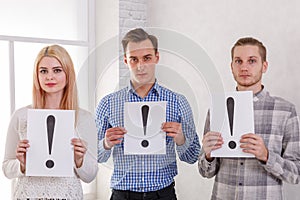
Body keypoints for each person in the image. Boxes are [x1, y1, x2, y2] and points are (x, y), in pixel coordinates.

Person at [96, 28, 200, 200]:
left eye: (147, 58)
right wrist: (106, 143)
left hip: (163, 195)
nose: (141, 66)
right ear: (125, 61)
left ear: (157, 58)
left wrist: (181, 139)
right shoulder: (108, 104)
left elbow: (193, 156)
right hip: (123, 195)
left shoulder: (178, 102)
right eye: (134, 59)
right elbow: (96, 157)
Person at [198, 37, 300, 199]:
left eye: (251, 61)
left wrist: (266, 156)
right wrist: (209, 155)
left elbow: (296, 173)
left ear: (264, 66)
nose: (244, 67)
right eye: (238, 61)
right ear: (232, 67)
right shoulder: (218, 109)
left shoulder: (285, 111)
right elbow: (205, 172)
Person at [2, 45, 98, 200]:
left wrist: (80, 160)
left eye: (57, 70)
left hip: (68, 195)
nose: (49, 77)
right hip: (28, 195)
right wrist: (23, 164)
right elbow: (6, 168)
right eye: (43, 71)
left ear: (68, 74)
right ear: (37, 76)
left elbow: (90, 175)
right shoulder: (21, 115)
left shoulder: (84, 118)